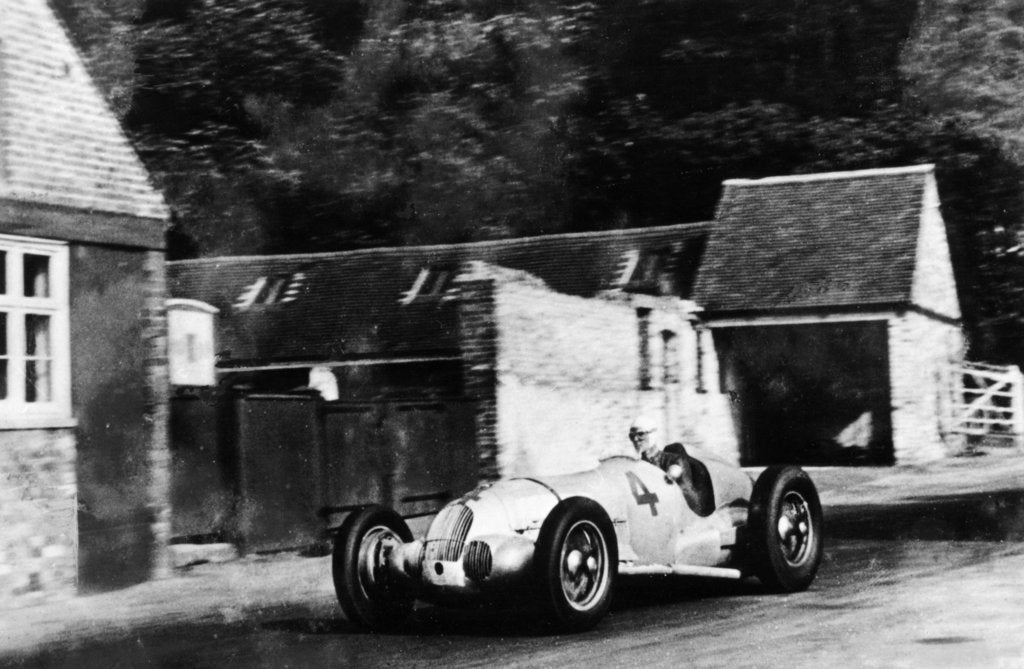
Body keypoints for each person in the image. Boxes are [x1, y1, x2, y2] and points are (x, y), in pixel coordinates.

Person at [628, 415, 715, 516]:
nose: (635, 439)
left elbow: (688, 497)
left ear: (653, 434)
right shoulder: (637, 467)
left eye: (640, 434)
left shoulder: (675, 460)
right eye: (631, 436)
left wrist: (670, 477)